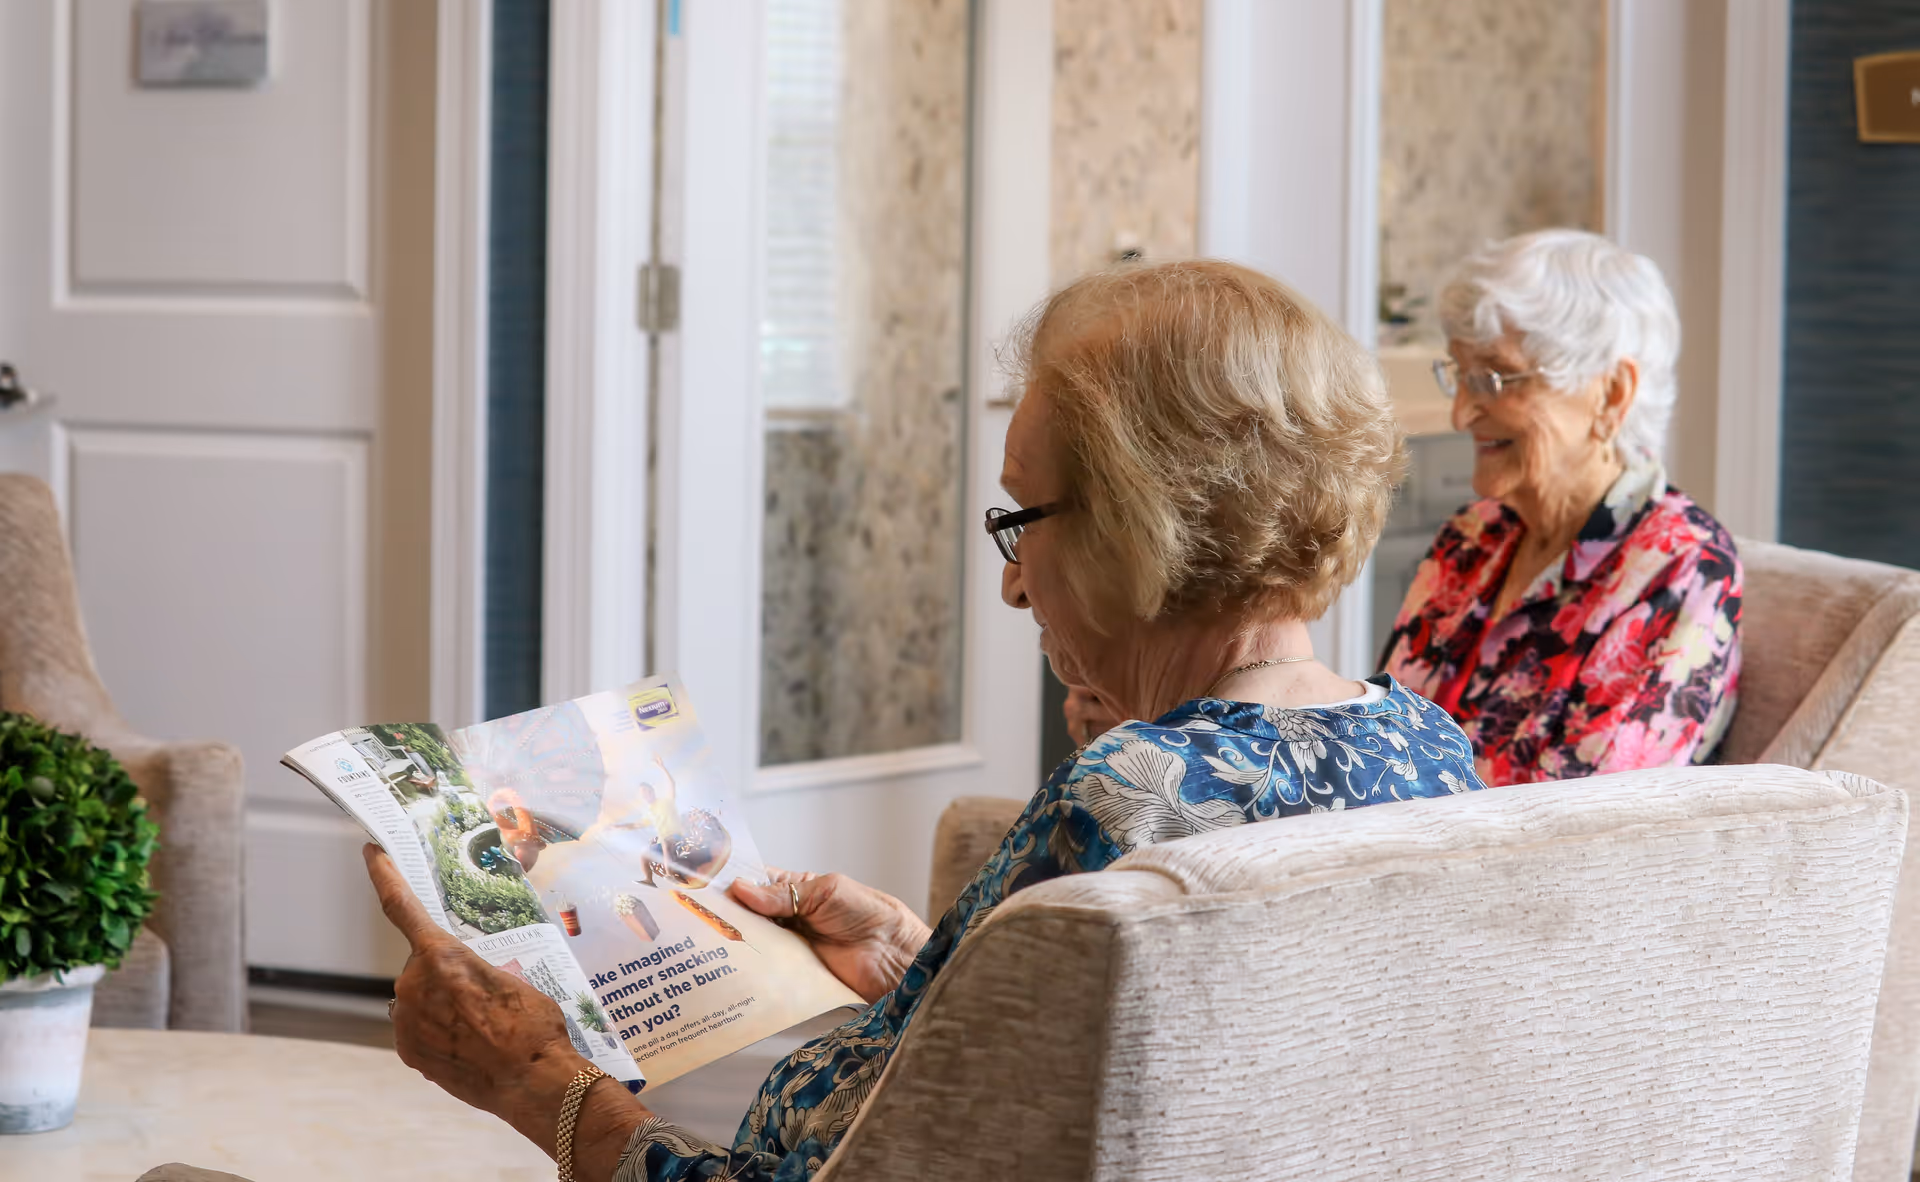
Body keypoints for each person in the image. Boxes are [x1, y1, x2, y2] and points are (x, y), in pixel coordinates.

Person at [363, 259, 1485, 1182]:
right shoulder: (1428, 748)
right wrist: (924, 963)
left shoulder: (1127, 793)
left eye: (1021, 518)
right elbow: (1093, 1079)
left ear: (1136, 519)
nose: (1010, 585)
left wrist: (537, 1082)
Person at [1379, 230, 1742, 786]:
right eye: (1458, 373)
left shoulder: (1681, 568)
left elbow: (1581, 831)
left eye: (1494, 378)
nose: (1460, 414)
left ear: (1612, 393)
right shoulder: (1472, 536)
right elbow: (1380, 742)